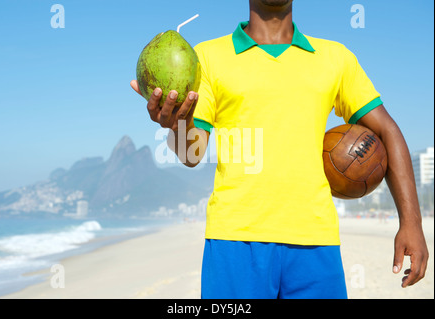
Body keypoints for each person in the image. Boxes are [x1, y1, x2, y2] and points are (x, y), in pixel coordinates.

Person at [131, 0, 429, 299]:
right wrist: (175, 125)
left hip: (316, 238)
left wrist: (411, 223)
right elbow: (192, 155)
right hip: (234, 239)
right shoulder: (206, 57)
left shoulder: (336, 58)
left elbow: (387, 130)